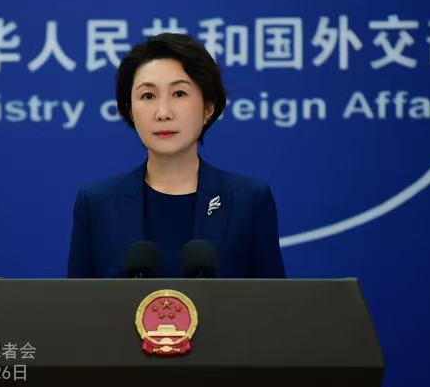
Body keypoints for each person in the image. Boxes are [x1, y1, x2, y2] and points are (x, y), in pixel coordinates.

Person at [67, 33, 285, 278]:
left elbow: (271, 300)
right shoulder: (97, 204)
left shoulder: (248, 202)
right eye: (148, 96)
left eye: (179, 94)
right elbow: (79, 301)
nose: (163, 113)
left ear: (208, 107)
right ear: (129, 110)